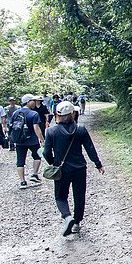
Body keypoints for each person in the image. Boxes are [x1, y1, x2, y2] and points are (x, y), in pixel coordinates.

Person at [43, 100, 105, 236]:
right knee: (79, 195)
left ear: (57, 114)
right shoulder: (80, 129)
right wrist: (98, 164)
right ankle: (76, 222)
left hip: (62, 169)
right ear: (72, 113)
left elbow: (46, 152)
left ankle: (67, 217)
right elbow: (90, 148)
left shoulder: (51, 131)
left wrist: (54, 162)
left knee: (60, 196)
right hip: (80, 169)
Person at [11, 94, 45, 189]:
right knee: (37, 156)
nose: (35, 102)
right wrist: (42, 140)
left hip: (19, 141)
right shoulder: (34, 114)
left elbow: (12, 126)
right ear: (28, 102)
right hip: (32, 140)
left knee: (20, 161)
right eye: (33, 101)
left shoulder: (16, 113)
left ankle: (22, 181)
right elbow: (36, 128)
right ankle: (34, 174)